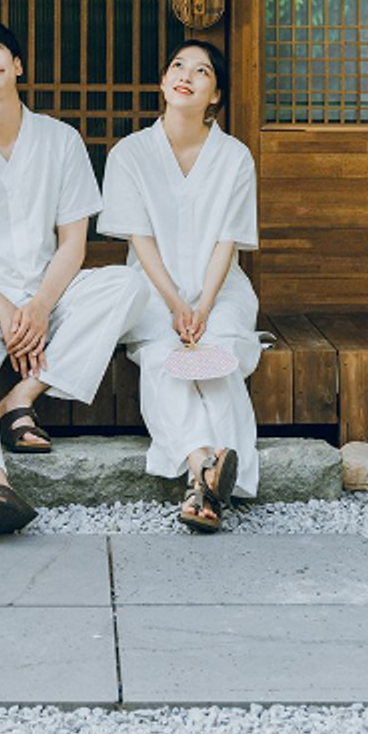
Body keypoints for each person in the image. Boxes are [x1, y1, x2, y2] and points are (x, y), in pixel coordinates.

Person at [0, 17, 147, 536]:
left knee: (130, 286)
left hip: (51, 287)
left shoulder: (60, 141)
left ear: (17, 65)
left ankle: (20, 398)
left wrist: (40, 306)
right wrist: (4, 310)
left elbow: (73, 242)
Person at [98, 40, 260, 532]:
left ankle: (202, 484)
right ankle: (205, 470)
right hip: (151, 290)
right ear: (163, 82)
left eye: (202, 70)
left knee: (217, 360)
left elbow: (227, 242)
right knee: (164, 360)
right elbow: (140, 241)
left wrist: (203, 306)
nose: (186, 74)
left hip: (220, 291)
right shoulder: (130, 153)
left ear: (216, 95)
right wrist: (174, 304)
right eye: (177, 66)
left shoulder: (235, 157)